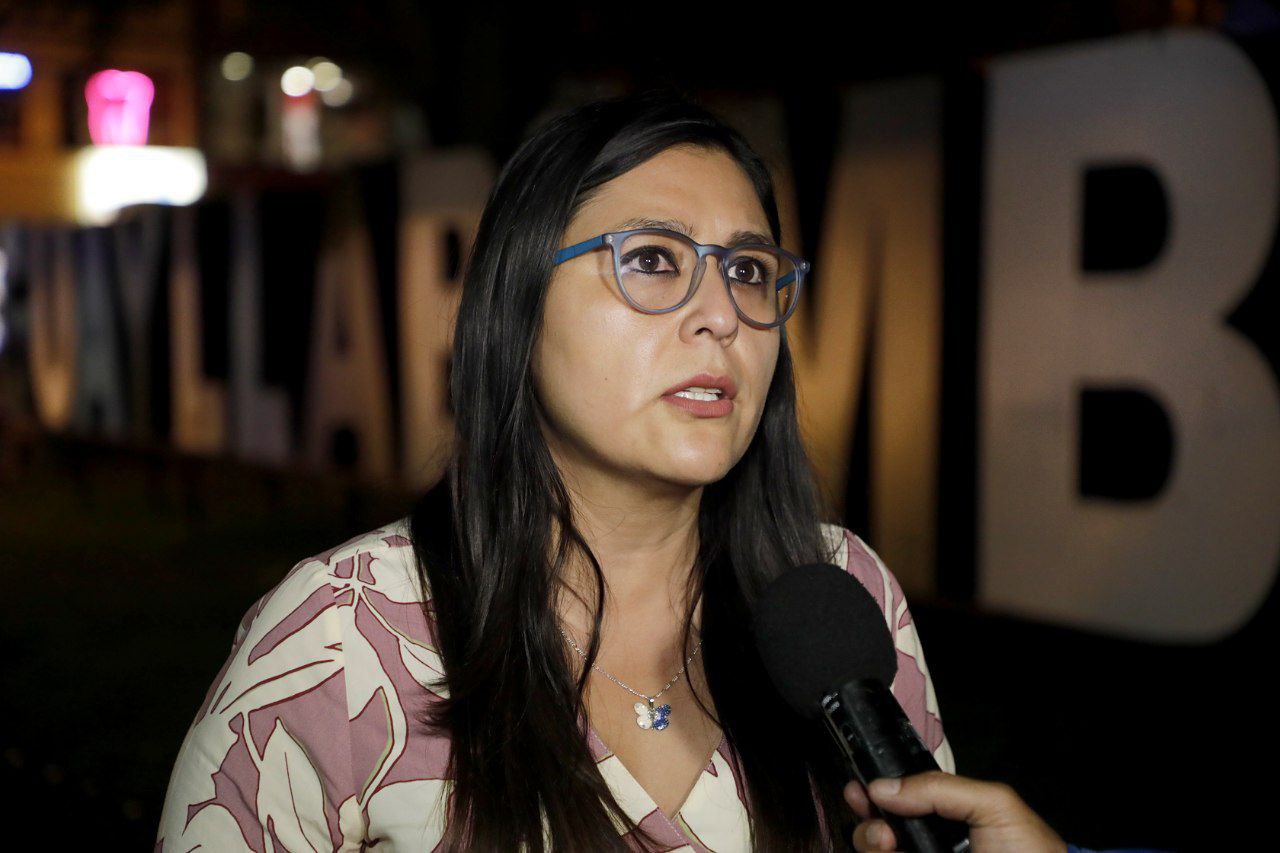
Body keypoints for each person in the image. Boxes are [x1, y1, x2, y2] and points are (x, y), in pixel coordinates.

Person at [155, 87, 955, 851]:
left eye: (747, 270)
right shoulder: (340, 635)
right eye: (653, 258)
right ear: (519, 302)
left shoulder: (845, 594)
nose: (721, 315)